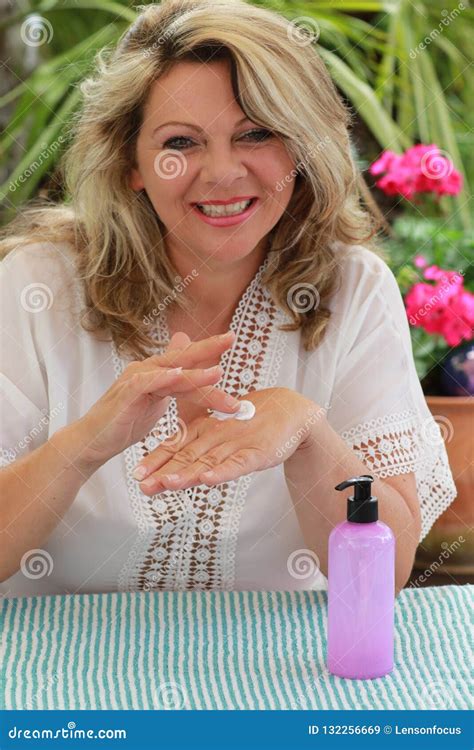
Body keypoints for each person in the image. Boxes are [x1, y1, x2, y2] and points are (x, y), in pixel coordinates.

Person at [0, 0, 456, 598]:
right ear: (132, 162)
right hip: (58, 675)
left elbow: (385, 577)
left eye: (256, 134)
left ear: (301, 150)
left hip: (276, 678)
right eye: (182, 141)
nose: (221, 172)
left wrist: (307, 434)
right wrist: (84, 444)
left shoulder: (355, 289)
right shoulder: (38, 283)